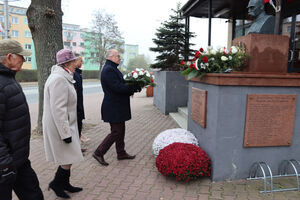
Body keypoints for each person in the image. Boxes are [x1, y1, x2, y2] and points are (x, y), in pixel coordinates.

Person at [0, 39, 44, 200]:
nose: (24, 60)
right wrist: (5, 164)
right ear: (9, 57)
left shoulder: (8, 78)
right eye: (21, 56)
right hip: (5, 164)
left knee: (34, 195)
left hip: (18, 160)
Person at [43, 49, 84, 199]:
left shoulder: (63, 76)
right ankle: (56, 184)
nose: (76, 63)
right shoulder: (59, 79)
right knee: (67, 157)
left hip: (66, 124)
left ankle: (64, 183)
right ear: (67, 63)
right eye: (74, 61)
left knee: (69, 157)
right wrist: (65, 133)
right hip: (61, 126)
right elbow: (58, 109)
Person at [93, 49, 141, 166]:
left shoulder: (112, 68)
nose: (120, 58)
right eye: (118, 56)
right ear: (111, 57)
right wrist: (132, 88)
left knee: (120, 130)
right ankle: (99, 152)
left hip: (117, 105)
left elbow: (121, 84)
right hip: (113, 106)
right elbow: (117, 87)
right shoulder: (109, 70)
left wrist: (133, 86)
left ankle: (121, 153)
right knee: (116, 131)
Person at [73, 55, 88, 152]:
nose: (82, 63)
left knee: (79, 126)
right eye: (80, 61)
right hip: (76, 106)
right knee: (76, 127)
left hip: (79, 105)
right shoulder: (74, 74)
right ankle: (75, 148)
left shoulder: (78, 74)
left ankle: (77, 146)